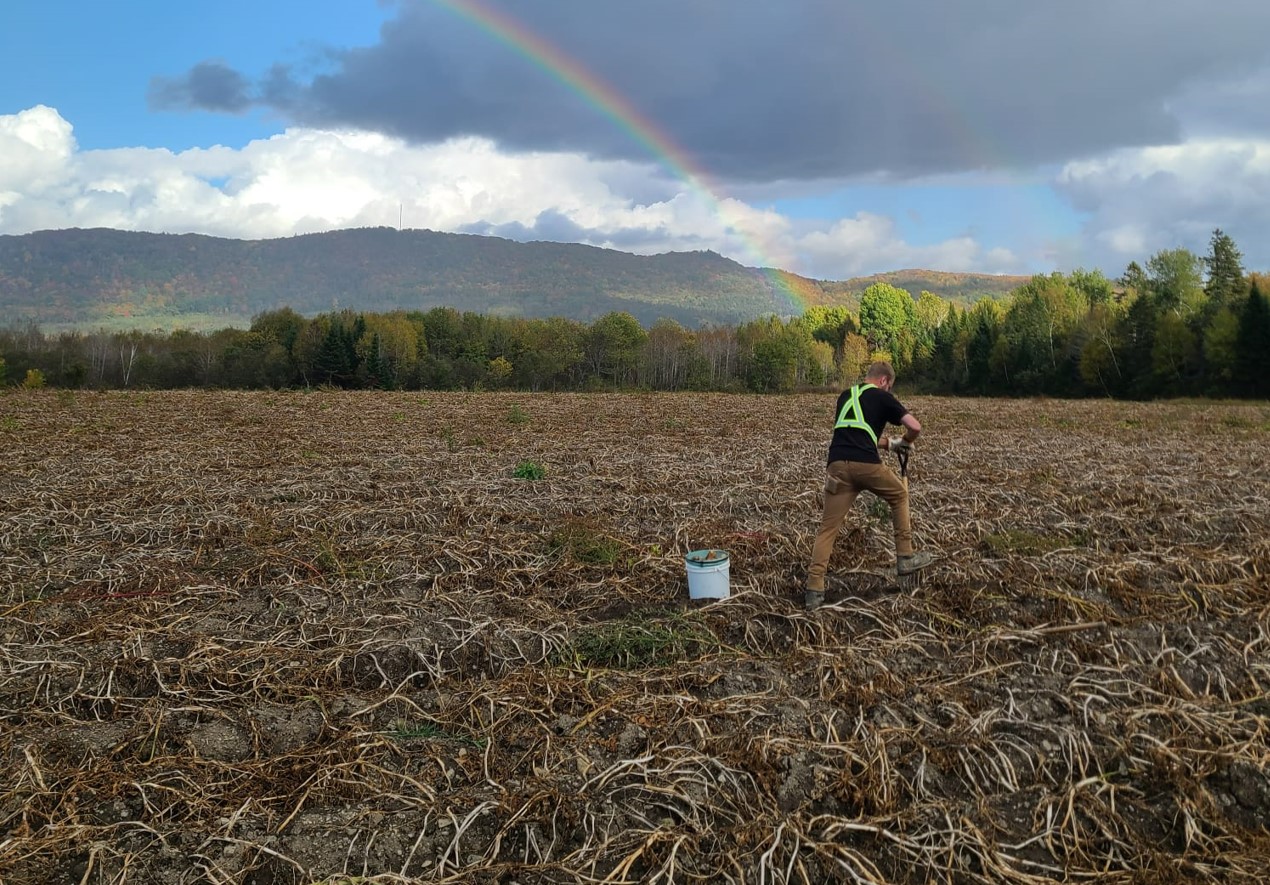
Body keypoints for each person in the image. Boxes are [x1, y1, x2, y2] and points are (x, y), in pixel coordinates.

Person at [805, 360, 934, 610]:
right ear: (884, 381)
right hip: (866, 465)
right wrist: (906, 440)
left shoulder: (845, 397)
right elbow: (915, 426)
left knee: (827, 529)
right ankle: (905, 556)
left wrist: (891, 444)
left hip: (837, 467)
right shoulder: (883, 398)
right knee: (899, 496)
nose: (888, 391)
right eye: (889, 387)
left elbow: (860, 433)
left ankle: (814, 589)